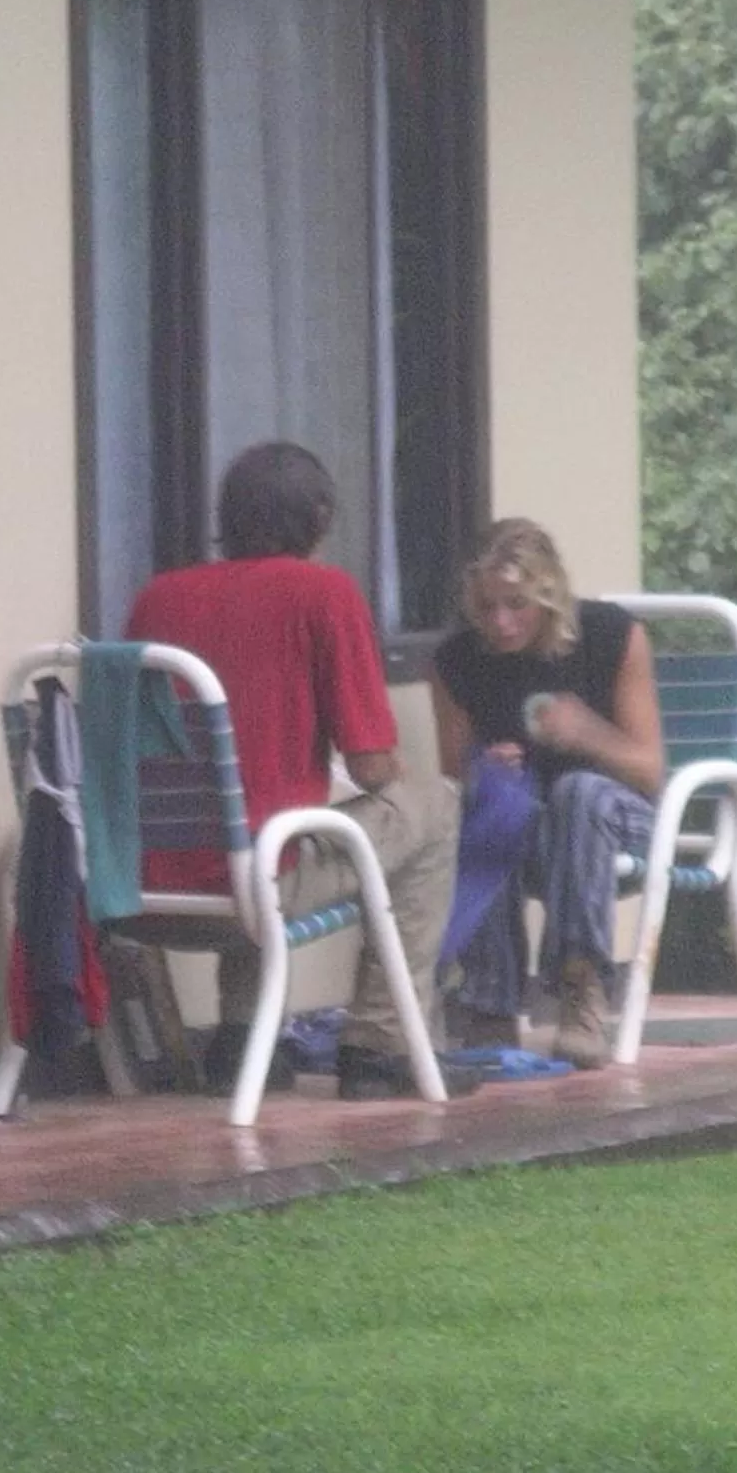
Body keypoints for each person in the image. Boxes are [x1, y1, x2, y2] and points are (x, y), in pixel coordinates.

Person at [127, 441, 480, 1102]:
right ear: (320, 516)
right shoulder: (323, 593)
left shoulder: (158, 598)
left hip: (138, 889)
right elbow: (374, 767)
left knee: (258, 815)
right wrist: (388, 766)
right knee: (431, 804)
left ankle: (240, 1042)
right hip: (255, 888)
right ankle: (380, 1045)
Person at [430, 519, 665, 1069]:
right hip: (531, 827)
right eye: (486, 607)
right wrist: (485, 772)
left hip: (619, 819)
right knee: (493, 807)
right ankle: (489, 1002)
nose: (502, 622)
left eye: (517, 604)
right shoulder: (457, 662)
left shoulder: (611, 636)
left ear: (550, 593)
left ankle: (581, 987)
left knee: (577, 793)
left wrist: (588, 734)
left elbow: (650, 772)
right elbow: (453, 780)